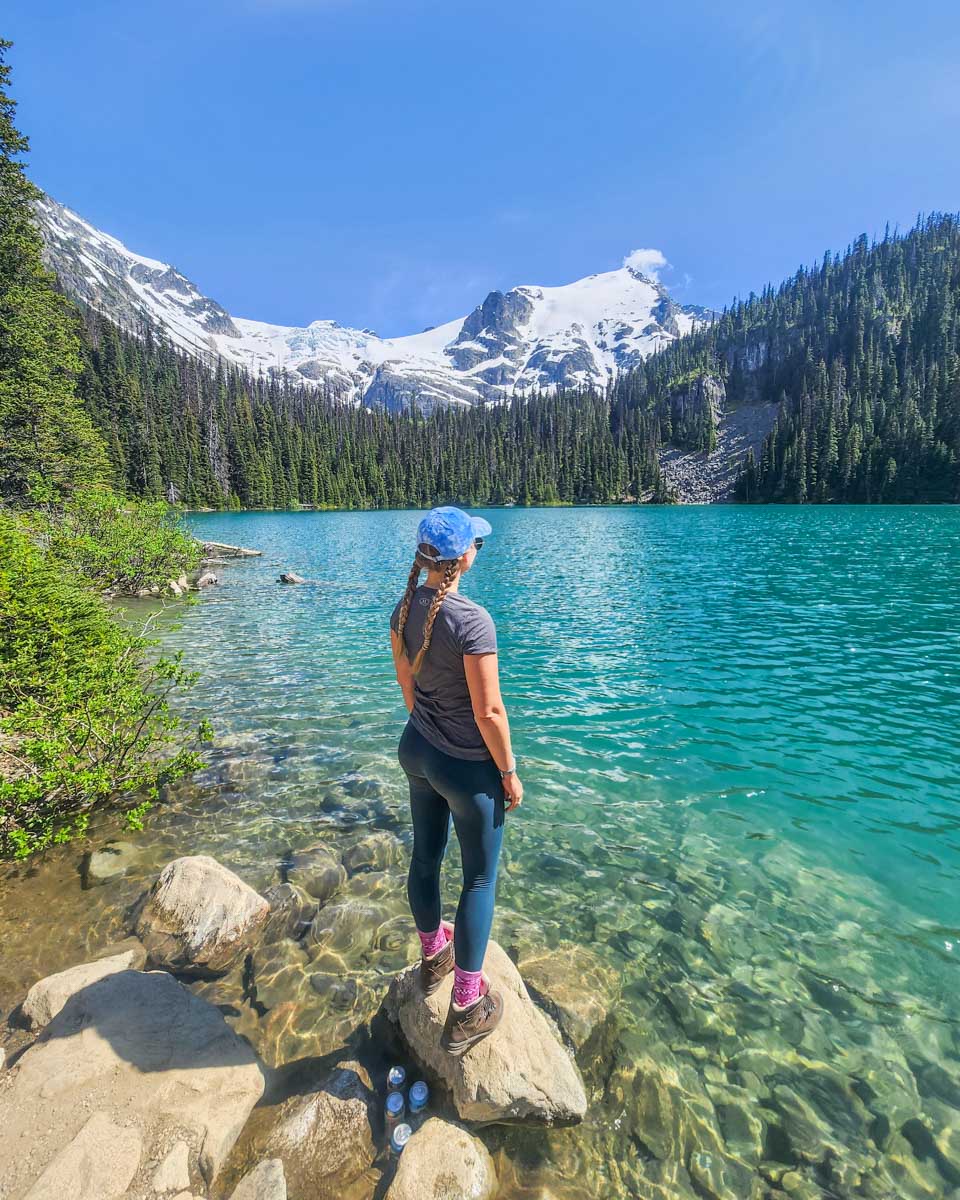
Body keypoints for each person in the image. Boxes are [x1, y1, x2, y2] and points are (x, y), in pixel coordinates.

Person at [390, 505, 523, 1055]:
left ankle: (433, 955)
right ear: (460, 556)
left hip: (416, 750)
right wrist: (509, 772)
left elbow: (408, 689)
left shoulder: (403, 609)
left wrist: (429, 730)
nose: (479, 551)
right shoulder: (471, 621)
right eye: (477, 545)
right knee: (479, 881)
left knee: (425, 858)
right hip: (465, 768)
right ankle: (467, 1004)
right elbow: (490, 712)